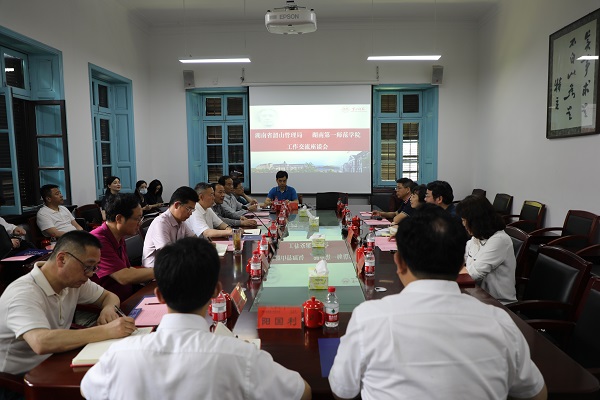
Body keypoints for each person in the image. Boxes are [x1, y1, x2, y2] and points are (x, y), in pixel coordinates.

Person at [328, 205, 546, 400]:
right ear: (461, 263)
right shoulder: (500, 322)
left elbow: (342, 390)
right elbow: (536, 393)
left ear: (399, 262)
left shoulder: (369, 318)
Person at [81, 237, 311, 399]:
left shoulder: (119, 355)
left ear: (159, 295)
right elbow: (302, 392)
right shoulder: (242, 356)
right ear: (216, 291)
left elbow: (87, 388)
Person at [0, 231, 136, 377]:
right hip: (19, 377)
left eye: (95, 267)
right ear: (62, 259)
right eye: (88, 266)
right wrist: (107, 330)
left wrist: (108, 309)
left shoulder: (72, 281)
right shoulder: (23, 293)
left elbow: (109, 296)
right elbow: (41, 342)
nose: (90, 274)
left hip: (56, 359)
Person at [91, 194, 155, 301]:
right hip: (109, 303)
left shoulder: (118, 235)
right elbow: (124, 277)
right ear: (119, 219)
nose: (140, 223)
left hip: (127, 295)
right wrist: (163, 270)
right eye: (137, 219)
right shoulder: (97, 240)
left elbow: (128, 269)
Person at [456, 195, 517, 304]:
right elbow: (459, 257)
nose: (463, 224)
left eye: (464, 220)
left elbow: (474, 273)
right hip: (477, 294)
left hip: (498, 303)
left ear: (476, 221)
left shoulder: (499, 240)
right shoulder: (478, 236)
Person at [142, 186, 198, 268]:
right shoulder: (161, 223)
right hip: (155, 270)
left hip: (173, 265)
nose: (190, 213)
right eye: (189, 209)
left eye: (192, 210)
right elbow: (168, 254)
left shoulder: (181, 222)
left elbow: (195, 241)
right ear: (177, 205)